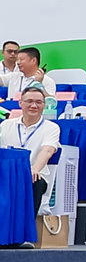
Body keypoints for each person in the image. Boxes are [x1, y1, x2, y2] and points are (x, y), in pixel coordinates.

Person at [0, 85, 60, 215]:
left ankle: (27, 224)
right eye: (29, 101)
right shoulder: (6, 125)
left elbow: (47, 150)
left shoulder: (51, 128)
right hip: (7, 174)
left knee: (34, 181)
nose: (34, 105)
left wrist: (34, 169)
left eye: (38, 102)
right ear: (20, 103)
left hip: (33, 175)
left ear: (44, 105)